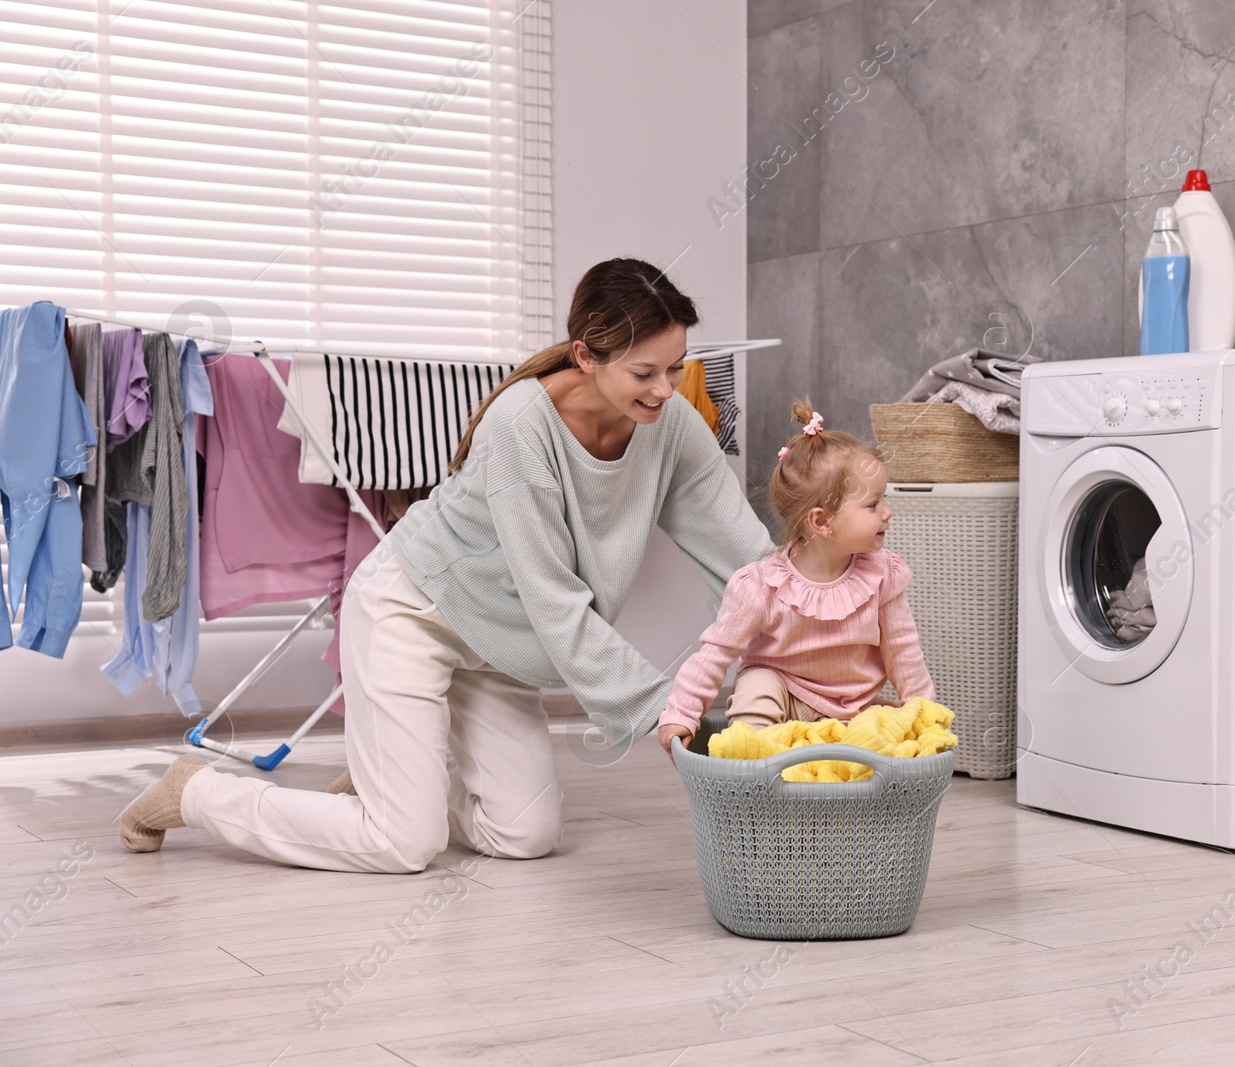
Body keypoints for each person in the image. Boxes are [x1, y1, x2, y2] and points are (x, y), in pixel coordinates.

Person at [118, 258, 774, 873]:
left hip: (503, 644)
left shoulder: (674, 425)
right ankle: (198, 792)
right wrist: (680, 712)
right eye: (645, 372)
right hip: (414, 611)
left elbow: (746, 558)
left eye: (676, 367)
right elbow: (554, 600)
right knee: (404, 843)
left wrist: (809, 630)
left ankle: (400, 771)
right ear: (585, 356)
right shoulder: (522, 425)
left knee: (526, 836)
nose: (666, 389)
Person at [657, 402, 934, 753]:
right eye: (872, 505)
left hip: (852, 708)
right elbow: (715, 654)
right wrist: (680, 714)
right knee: (757, 687)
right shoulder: (760, 585)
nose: (887, 512)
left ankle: (832, 774)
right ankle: (751, 762)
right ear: (821, 522)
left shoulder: (883, 575)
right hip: (784, 698)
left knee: (887, 728)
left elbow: (904, 654)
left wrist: (924, 716)